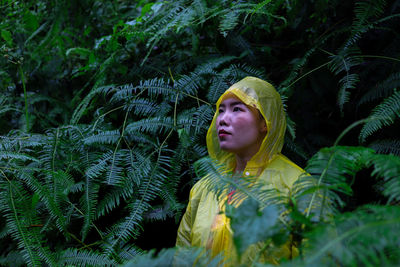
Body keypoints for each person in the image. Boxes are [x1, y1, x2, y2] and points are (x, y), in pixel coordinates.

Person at [176, 76, 305, 265]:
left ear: (265, 122)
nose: (223, 119)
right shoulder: (203, 190)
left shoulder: (297, 186)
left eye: (237, 109)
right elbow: (182, 258)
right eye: (220, 110)